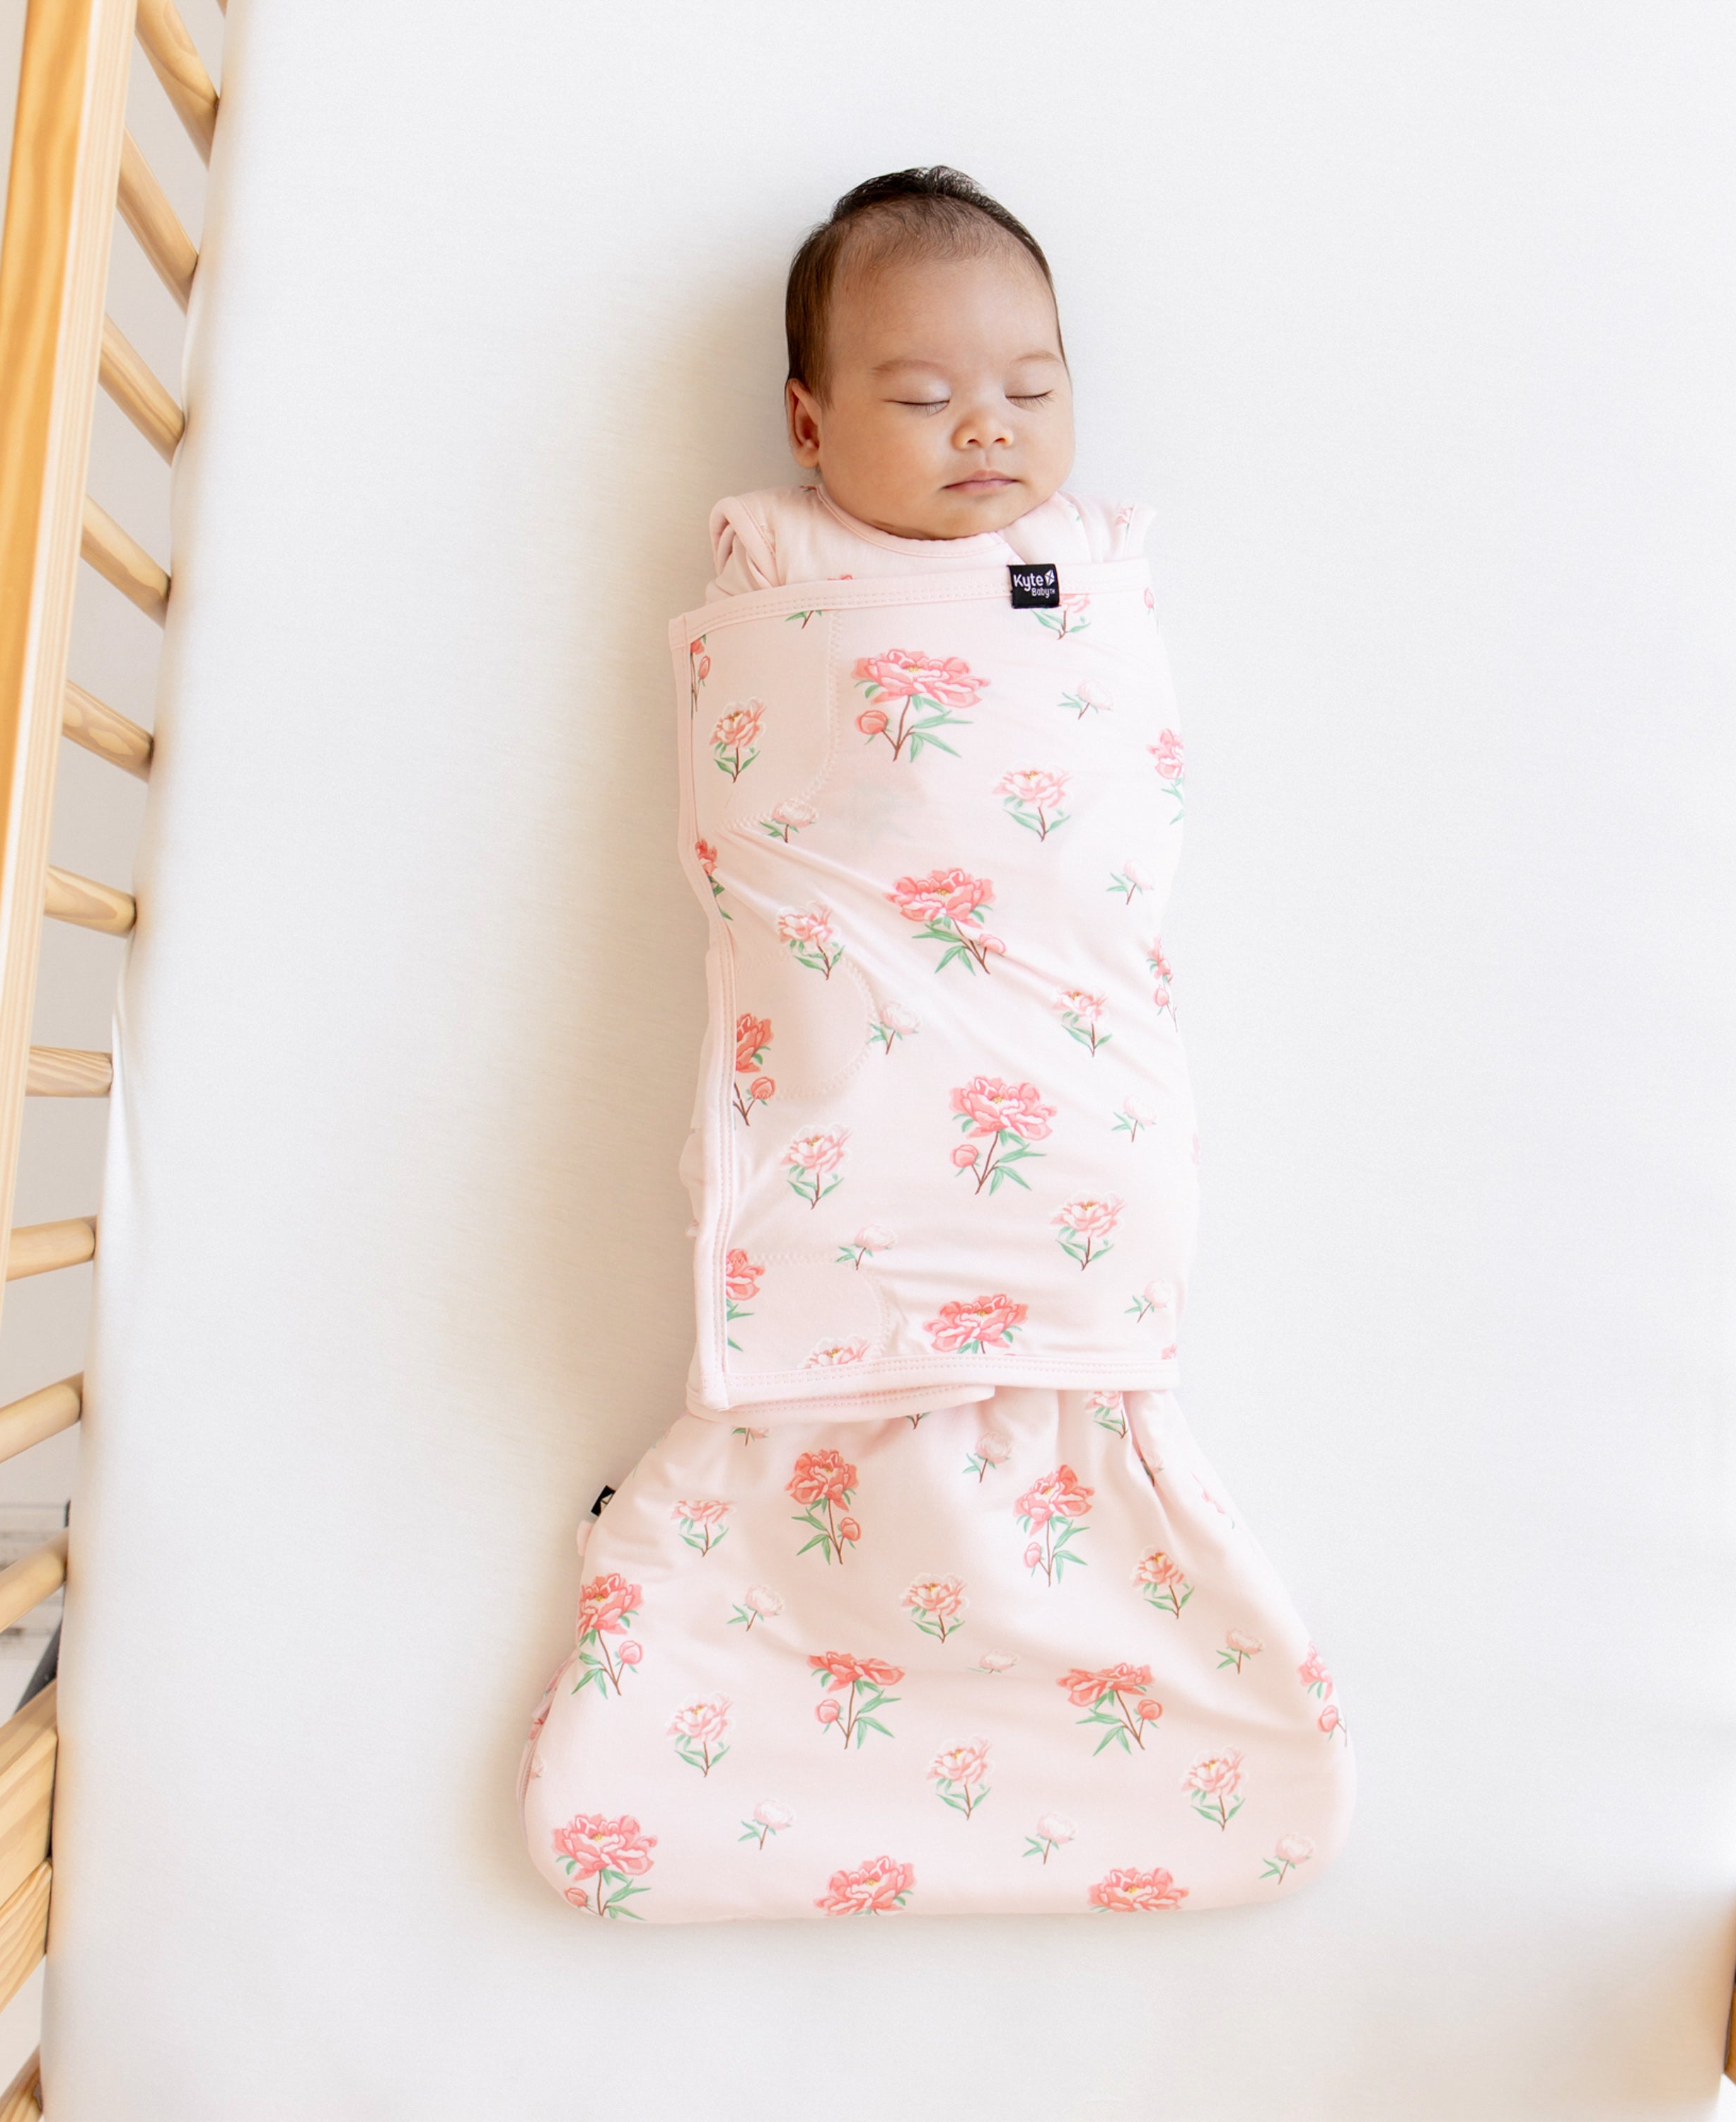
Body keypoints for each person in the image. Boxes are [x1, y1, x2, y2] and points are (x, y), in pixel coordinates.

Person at [519, 170, 1352, 1923]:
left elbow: (1108, 818)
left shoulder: (1092, 568)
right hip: (855, 1070)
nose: (988, 425)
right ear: (810, 425)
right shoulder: (786, 560)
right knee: (817, 1361)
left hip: (1073, 1082)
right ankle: (724, 1713)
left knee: (1076, 1369)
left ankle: (1138, 1726)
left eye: (1032, 388)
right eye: (921, 394)